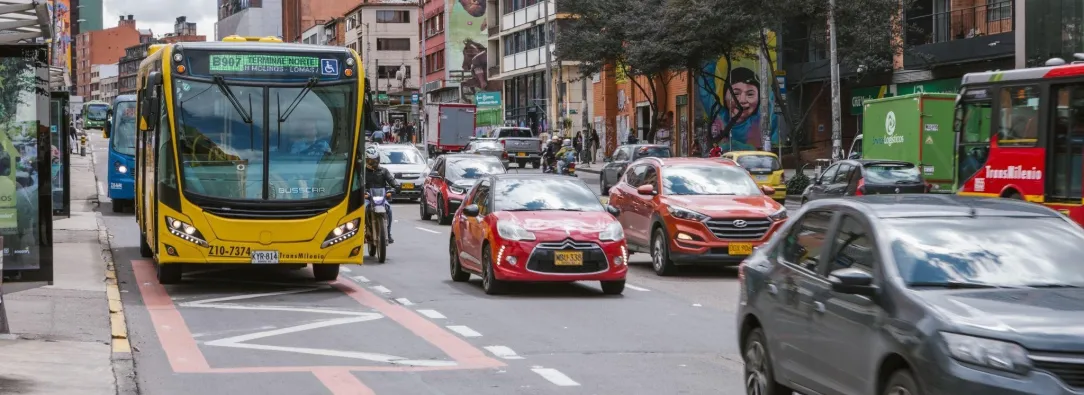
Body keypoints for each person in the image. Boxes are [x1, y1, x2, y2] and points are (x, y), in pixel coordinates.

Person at [364, 146, 397, 244]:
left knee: (389, 210)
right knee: (364, 209)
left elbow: (392, 181)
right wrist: (362, 192)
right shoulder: (362, 172)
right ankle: (363, 233)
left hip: (381, 198)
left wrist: (395, 187)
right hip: (368, 198)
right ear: (366, 160)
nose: (373, 163)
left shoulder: (383, 171)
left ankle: (388, 233)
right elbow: (356, 184)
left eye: (375, 160)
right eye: (371, 161)